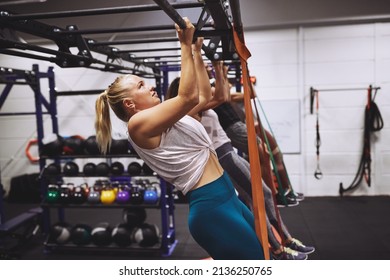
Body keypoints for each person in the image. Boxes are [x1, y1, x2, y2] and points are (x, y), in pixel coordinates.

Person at [94, 18, 264, 260]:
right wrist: (183, 44)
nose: (151, 87)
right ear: (130, 104)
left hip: (228, 196)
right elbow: (188, 97)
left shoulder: (167, 116)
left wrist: (195, 52)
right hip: (211, 207)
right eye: (142, 85)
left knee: (259, 258)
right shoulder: (137, 125)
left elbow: (203, 96)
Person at [167, 61, 314, 260]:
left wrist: (219, 69)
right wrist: (203, 62)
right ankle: (280, 249)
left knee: (257, 199)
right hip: (224, 156)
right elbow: (221, 96)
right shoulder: (190, 109)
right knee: (262, 197)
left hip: (227, 153)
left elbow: (222, 94)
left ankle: (282, 244)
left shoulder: (199, 105)